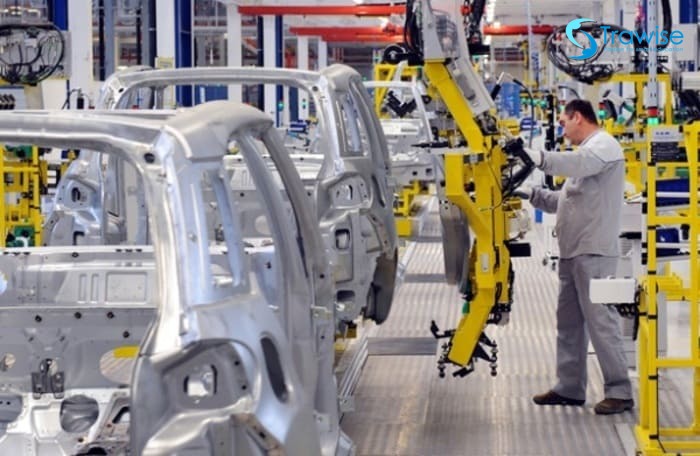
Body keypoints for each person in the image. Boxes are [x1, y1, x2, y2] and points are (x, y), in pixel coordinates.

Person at [517, 99, 633, 415]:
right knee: (569, 323)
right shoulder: (587, 154)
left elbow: (577, 164)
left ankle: (620, 392)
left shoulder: (603, 146)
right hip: (572, 253)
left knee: (601, 323)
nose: (562, 130)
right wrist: (529, 193)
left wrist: (540, 158)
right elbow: (565, 201)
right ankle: (569, 388)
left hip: (593, 251)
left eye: (563, 123)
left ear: (578, 117)